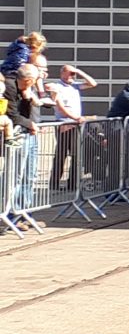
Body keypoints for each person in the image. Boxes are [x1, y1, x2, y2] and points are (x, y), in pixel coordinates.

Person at [47, 64, 98, 191]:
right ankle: (54, 183)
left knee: (76, 155)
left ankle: (72, 184)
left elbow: (93, 83)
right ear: (62, 73)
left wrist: (79, 71)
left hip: (76, 125)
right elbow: (60, 108)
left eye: (73, 74)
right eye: (70, 73)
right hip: (64, 123)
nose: (72, 76)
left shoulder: (75, 85)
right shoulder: (57, 86)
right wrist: (76, 118)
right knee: (61, 154)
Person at [5, 64, 44, 229]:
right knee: (16, 176)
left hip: (28, 134)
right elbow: (12, 114)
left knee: (30, 174)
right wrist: (30, 124)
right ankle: (10, 214)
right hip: (17, 136)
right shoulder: (10, 87)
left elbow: (26, 112)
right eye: (35, 80)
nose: (37, 83)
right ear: (28, 80)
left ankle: (24, 212)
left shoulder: (24, 89)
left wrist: (28, 98)